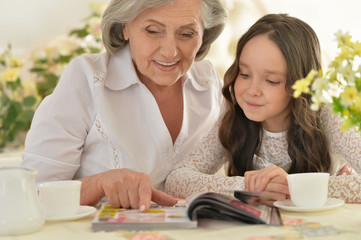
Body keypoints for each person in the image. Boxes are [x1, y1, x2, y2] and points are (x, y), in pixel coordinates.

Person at [22, 0, 227, 211]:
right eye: (153, 31)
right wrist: (100, 183)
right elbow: (29, 194)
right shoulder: (86, 79)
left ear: (204, 34)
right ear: (125, 27)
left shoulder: (209, 80)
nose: (170, 52)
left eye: (186, 34)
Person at [165, 13, 361, 205]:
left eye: (271, 81)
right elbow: (176, 181)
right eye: (245, 74)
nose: (252, 91)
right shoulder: (234, 117)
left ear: (301, 85)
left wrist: (292, 186)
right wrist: (249, 186)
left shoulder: (328, 118)